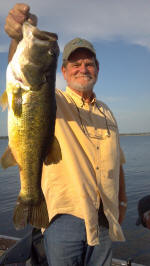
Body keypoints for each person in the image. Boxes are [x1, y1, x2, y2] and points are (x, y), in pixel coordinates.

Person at [5, 3, 127, 266]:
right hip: (64, 219)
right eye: (75, 63)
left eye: (89, 63)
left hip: (105, 220)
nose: (83, 68)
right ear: (63, 72)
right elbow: (25, 72)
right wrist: (18, 37)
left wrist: (123, 203)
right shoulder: (53, 98)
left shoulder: (107, 112)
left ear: (97, 69)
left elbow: (118, 163)